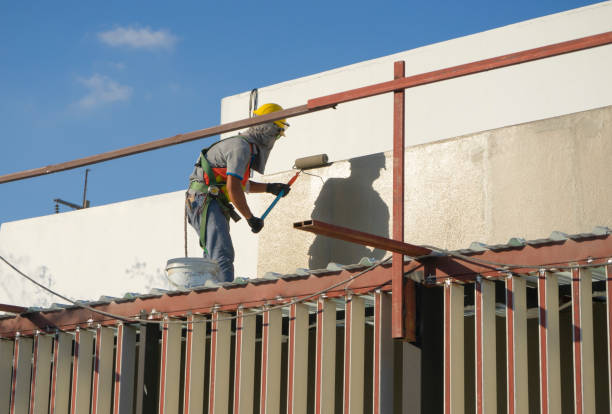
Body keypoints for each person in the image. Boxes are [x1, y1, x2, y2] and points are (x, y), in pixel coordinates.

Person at [185, 103, 291, 282]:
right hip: (205, 199)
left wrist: (269, 187)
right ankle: (224, 302)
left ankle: (210, 293)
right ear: (267, 129)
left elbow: (239, 184)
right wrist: (250, 218)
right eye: (277, 133)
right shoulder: (240, 148)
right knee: (221, 254)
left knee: (213, 255)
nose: (276, 138)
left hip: (206, 200)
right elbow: (232, 189)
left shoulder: (244, 148)